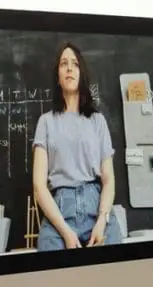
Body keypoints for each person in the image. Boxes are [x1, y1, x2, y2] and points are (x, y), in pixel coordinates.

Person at [32, 42, 122, 250]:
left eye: (75, 64)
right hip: (59, 213)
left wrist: (103, 219)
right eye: (64, 64)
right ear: (58, 75)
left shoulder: (97, 121)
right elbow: (39, 185)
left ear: (82, 73)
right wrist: (64, 230)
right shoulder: (45, 122)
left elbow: (108, 179)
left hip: (96, 207)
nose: (70, 68)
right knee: (52, 278)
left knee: (114, 276)